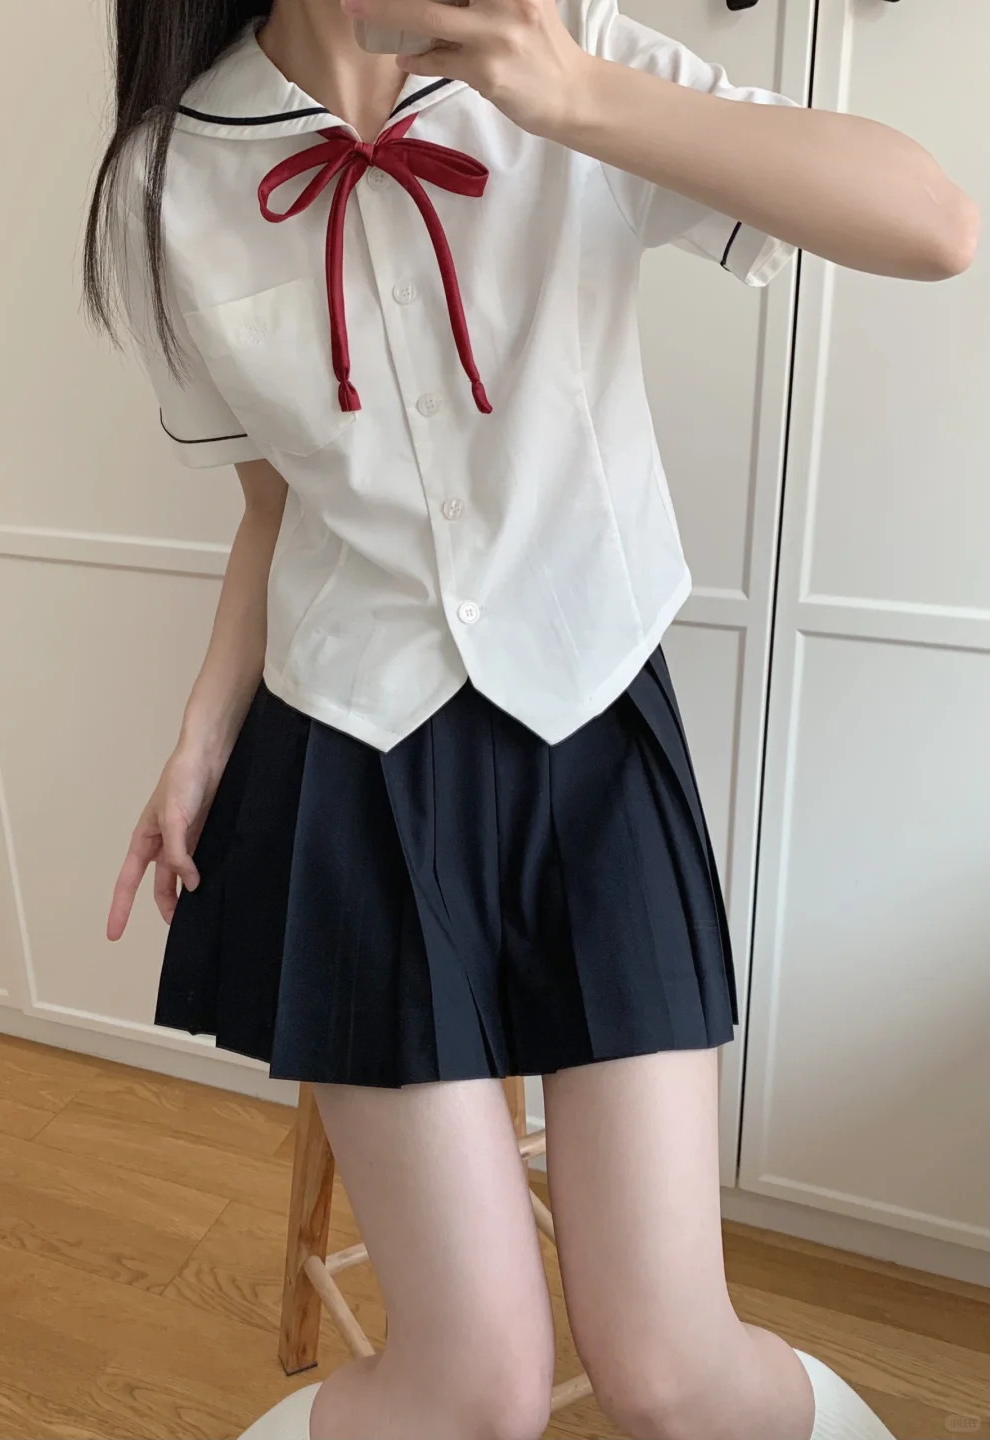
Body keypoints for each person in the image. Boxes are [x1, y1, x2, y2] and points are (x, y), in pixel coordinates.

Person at [86, 0, 977, 1434]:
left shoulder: (568, 48)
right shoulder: (164, 180)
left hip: (594, 739)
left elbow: (933, 223)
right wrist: (199, 740)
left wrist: (573, 97)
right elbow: (271, 508)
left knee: (672, 1373)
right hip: (347, 757)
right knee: (471, 1387)